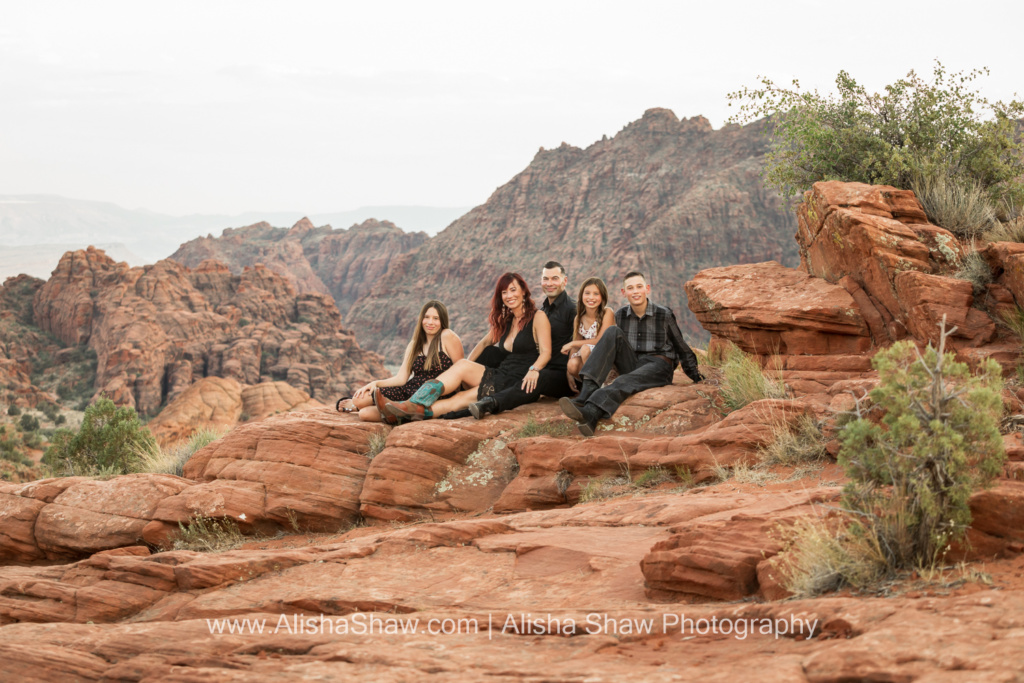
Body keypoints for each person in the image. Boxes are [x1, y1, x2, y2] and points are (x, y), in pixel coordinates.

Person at [382, 272, 552, 420]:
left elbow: (546, 352)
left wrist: (534, 369)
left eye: (513, 290)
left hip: (518, 380)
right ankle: (408, 410)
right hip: (501, 374)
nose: (509, 296)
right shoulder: (507, 321)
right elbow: (485, 342)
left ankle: (409, 407)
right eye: (504, 292)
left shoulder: (538, 317)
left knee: (458, 399)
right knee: (462, 380)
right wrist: (467, 367)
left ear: (523, 291)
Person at [559, 270, 703, 436]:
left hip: (658, 365)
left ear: (647, 289)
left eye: (639, 287)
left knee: (623, 381)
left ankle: (591, 412)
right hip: (633, 363)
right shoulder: (621, 315)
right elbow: (613, 347)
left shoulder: (663, 314)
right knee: (612, 332)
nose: (635, 291)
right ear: (624, 292)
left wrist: (696, 376)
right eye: (630, 288)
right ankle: (586, 394)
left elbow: (681, 346)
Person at [467, 261, 577, 419]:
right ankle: (466, 385)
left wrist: (571, 369)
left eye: (555, 278)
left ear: (564, 281)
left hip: (559, 375)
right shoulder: (543, 310)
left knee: (540, 376)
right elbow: (487, 341)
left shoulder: (573, 309)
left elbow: (583, 339)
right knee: (491, 352)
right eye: (546, 279)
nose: (550, 283)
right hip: (538, 365)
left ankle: (491, 402)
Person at [335, 300, 464, 423]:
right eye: (427, 317)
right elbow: (401, 378)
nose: (430, 322)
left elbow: (460, 372)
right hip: (408, 390)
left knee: (364, 414)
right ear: (421, 319)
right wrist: (376, 383)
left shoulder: (447, 336)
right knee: (360, 400)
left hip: (432, 395)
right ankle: (387, 410)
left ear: (442, 320)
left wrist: (458, 401)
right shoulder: (414, 344)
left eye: (436, 318)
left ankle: (398, 411)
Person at [562, 277, 616, 390]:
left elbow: (600, 340)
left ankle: (592, 389)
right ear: (581, 295)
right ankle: (592, 385)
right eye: (587, 293)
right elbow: (576, 347)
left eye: (596, 294)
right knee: (572, 364)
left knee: (585, 349)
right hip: (590, 359)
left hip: (607, 358)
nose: (591, 297)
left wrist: (572, 343)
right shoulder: (578, 318)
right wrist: (568, 372)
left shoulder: (607, 312)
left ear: (602, 297)